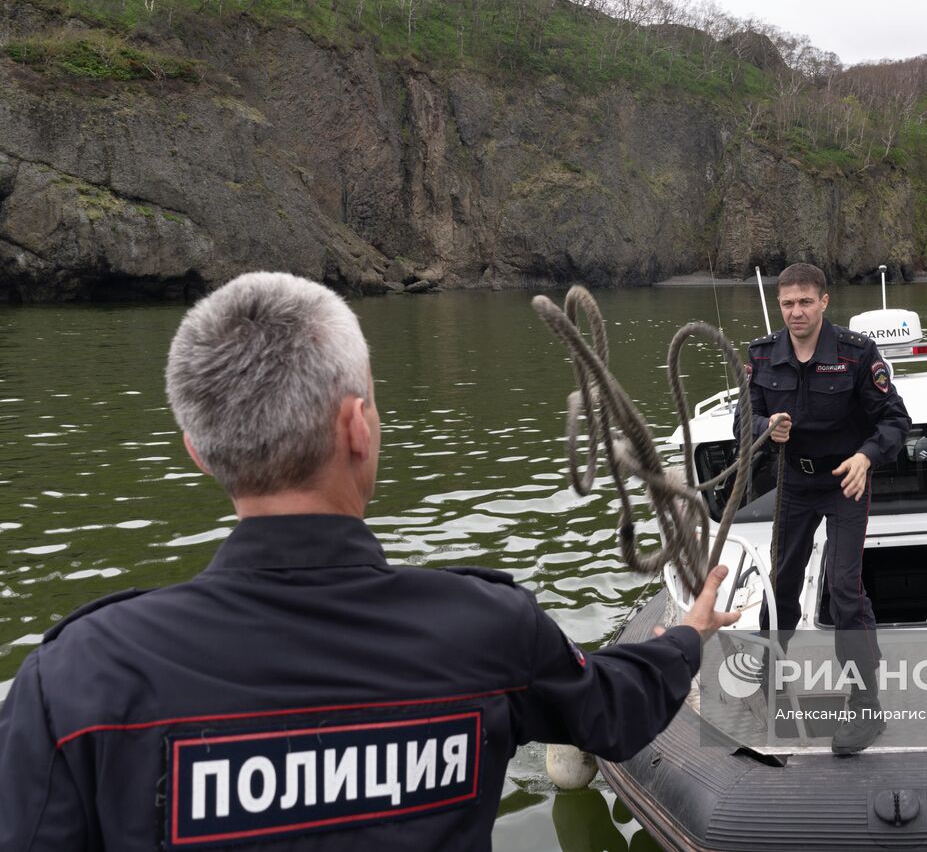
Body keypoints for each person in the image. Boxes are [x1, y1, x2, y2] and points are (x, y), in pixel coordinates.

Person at [0, 272, 738, 851]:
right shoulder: (486, 632)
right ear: (358, 427)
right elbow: (614, 706)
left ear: (199, 452)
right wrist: (689, 634)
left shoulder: (75, 681)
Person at [739, 263, 911, 754]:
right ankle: (769, 674)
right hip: (793, 481)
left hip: (845, 481)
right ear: (780, 305)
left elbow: (896, 418)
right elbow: (743, 420)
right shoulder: (760, 356)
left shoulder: (858, 355)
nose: (797, 312)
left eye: (805, 302)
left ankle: (866, 704)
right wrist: (763, 429)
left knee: (843, 588)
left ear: (824, 302)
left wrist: (866, 456)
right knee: (783, 584)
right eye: (788, 303)